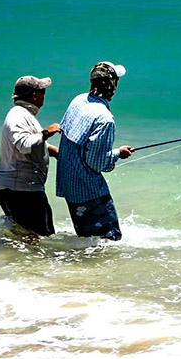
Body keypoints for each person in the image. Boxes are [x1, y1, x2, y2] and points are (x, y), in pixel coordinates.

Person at [55, 61, 134, 240]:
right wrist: (117, 154)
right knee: (109, 241)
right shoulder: (105, 119)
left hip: (70, 187)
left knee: (87, 241)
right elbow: (97, 163)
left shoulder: (78, 100)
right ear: (113, 84)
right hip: (89, 191)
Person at [0, 75, 61, 236]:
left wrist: (55, 152)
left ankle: (11, 252)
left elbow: (34, 143)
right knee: (43, 236)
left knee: (24, 235)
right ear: (34, 95)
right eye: (42, 91)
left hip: (13, 187)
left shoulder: (24, 114)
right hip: (22, 190)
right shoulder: (18, 115)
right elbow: (24, 145)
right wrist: (47, 132)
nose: (44, 95)